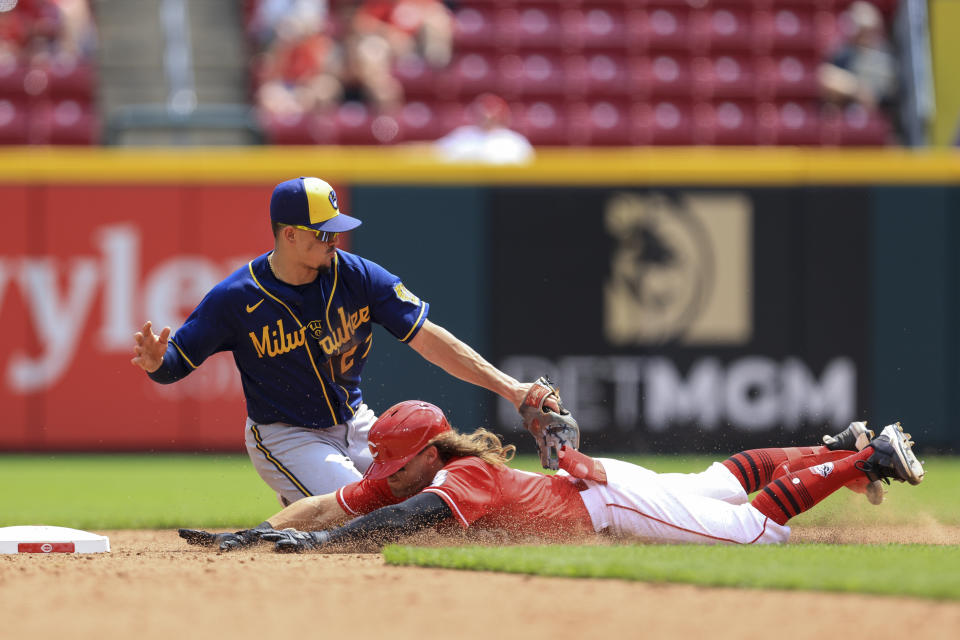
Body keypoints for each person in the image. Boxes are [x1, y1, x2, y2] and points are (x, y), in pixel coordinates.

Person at [131, 177, 552, 506]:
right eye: (323, 233)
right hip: (286, 435)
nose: (335, 241)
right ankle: (305, 488)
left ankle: (310, 493)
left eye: (336, 231)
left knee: (442, 489)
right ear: (289, 235)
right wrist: (156, 361)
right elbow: (175, 364)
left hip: (356, 423)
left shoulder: (357, 276)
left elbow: (429, 339)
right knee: (373, 513)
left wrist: (511, 388)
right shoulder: (236, 298)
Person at [178, 400, 924, 552]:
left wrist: (323, 550)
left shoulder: (455, 480)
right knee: (719, 480)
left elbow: (407, 522)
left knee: (752, 527)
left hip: (613, 503)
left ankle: (868, 457)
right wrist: (256, 532)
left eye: (390, 462)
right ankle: (837, 446)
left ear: (425, 455)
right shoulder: (407, 471)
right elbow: (326, 505)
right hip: (595, 481)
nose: (380, 473)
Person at [817, 1, 898, 120]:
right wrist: (857, 89)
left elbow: (886, 93)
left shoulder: (885, 55)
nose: (866, 36)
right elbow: (825, 77)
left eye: (870, 31)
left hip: (880, 120)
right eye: (862, 30)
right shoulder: (844, 54)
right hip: (846, 116)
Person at [434, 93, 534, 165]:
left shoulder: (514, 142)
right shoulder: (462, 136)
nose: (487, 115)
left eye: (491, 110)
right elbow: (434, 153)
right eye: (483, 110)